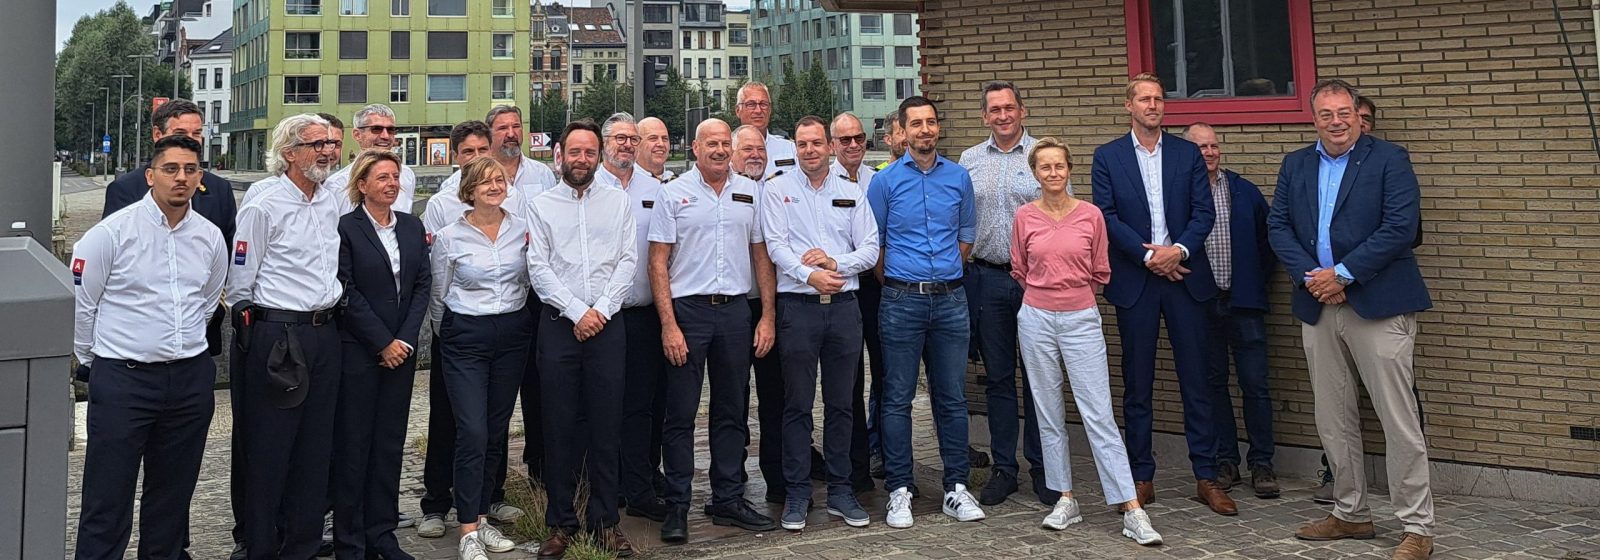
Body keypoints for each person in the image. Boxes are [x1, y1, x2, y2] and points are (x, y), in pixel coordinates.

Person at [1269, 79, 1436, 560]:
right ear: (1313, 116)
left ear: (1357, 115)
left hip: (1377, 302)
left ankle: (1417, 526)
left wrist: (1342, 274)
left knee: (1397, 419)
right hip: (1318, 305)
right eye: (1326, 113)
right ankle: (1350, 513)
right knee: (1332, 416)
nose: (1336, 121)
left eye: (1344, 112)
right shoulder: (1296, 164)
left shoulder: (1389, 159)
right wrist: (1314, 279)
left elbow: (1400, 227)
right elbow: (1277, 225)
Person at [95, 97, 241, 559]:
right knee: (108, 493)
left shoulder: (214, 210)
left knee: (173, 491)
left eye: (192, 164)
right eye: (173, 166)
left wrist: (186, 332)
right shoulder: (118, 218)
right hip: (126, 368)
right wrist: (94, 357)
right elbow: (88, 298)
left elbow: (214, 286)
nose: (183, 175)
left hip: (189, 365)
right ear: (153, 168)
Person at [1090, 73, 1234, 516]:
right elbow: (1107, 216)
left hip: (1185, 276)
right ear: (1128, 106)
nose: (1153, 105)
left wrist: (1178, 251)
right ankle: (1141, 476)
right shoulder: (1108, 156)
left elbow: (1202, 212)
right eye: (1144, 99)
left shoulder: (1187, 154)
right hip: (1137, 281)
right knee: (1137, 384)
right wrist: (1148, 257)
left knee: (1198, 380)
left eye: (1158, 99)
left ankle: (1206, 476)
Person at [1009, 137, 1162, 545]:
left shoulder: (1091, 215)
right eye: (1045, 167)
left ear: (1069, 170)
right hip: (1036, 317)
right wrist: (1046, 297)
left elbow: (1100, 269)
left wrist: (1070, 298)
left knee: (1098, 413)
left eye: (1060, 166)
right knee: (1048, 410)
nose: (1053, 173)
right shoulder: (1024, 216)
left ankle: (1130, 507)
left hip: (1080, 317)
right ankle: (1065, 498)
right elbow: (1020, 268)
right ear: (1035, 173)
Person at [650, 119, 779, 543]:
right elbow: (658, 264)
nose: (720, 150)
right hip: (689, 313)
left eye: (726, 143)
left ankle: (727, 499)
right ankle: (678, 506)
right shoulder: (673, 194)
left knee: (731, 410)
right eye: (712, 143)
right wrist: (668, 325)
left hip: (735, 315)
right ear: (695, 147)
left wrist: (767, 315)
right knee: (681, 413)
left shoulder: (749, 192)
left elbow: (760, 255)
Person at [225, 114, 347, 559]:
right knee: (270, 449)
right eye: (317, 144)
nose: (328, 151)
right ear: (290, 153)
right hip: (278, 333)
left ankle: (303, 545)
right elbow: (240, 282)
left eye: (331, 144)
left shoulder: (331, 200)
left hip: (324, 330)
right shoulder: (264, 205)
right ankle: (260, 546)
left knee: (316, 449)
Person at [868, 96, 986, 529]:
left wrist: (943, 275)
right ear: (902, 130)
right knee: (897, 397)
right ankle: (900, 489)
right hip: (901, 300)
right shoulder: (883, 182)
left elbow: (967, 233)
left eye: (931, 122)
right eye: (915, 123)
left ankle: (956, 486)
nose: (925, 130)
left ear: (939, 128)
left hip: (951, 301)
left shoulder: (958, 177)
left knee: (951, 397)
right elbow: (874, 244)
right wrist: (904, 281)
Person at [527, 120, 639, 558]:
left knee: (608, 425)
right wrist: (577, 311)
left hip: (608, 325)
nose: (582, 159)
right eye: (574, 151)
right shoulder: (542, 205)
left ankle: (605, 522)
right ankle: (560, 523)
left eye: (589, 152)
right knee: (557, 425)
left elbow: (629, 260)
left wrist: (601, 311)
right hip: (559, 325)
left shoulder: (617, 202)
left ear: (599, 155)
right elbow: (539, 268)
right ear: (560, 154)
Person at [763, 116, 880, 531]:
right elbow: (775, 245)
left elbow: (870, 248)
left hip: (845, 308)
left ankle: (841, 489)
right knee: (796, 404)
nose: (809, 150)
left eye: (816, 143)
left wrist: (835, 263)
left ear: (829, 147)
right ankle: (797, 493)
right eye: (802, 144)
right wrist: (808, 274)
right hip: (798, 307)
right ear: (795, 148)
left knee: (842, 403)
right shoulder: (777, 190)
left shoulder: (851, 192)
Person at [415, 121, 525, 539]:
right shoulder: (447, 236)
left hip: (512, 333)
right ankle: (467, 527)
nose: (494, 186)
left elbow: (526, 281)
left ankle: (482, 514)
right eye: (485, 182)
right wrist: (454, 335)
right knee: (472, 430)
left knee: (496, 430)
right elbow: (438, 296)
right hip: (465, 337)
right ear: (469, 190)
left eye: (499, 180)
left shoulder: (521, 230)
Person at [331, 150, 430, 560]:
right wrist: (381, 342)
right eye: (383, 177)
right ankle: (350, 542)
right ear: (362, 185)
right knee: (354, 447)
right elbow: (345, 289)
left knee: (389, 446)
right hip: (360, 353)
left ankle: (383, 535)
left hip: (400, 354)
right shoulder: (345, 229)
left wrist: (403, 341)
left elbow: (422, 284)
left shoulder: (410, 226)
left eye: (395, 177)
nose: (391, 184)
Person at [957, 81, 1049, 506]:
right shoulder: (969, 160)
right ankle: (1004, 469)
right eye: (994, 110)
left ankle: (1043, 469)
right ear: (984, 116)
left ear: (1023, 111)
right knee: (998, 378)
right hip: (988, 278)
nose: (1003, 116)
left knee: (1037, 377)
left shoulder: (1041, 157)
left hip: (1036, 280)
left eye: (1009, 108)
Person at [1183, 123, 1280, 499]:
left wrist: (1254, 283)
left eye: (1213, 146)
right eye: (1201, 147)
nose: (1209, 152)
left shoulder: (1243, 191)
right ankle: (1226, 460)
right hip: (1202, 304)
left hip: (1244, 303)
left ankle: (1262, 463)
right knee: (1212, 384)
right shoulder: (1183, 193)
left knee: (1255, 384)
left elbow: (1267, 242)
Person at [595, 113, 674, 524]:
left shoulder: (657, 189)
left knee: (642, 405)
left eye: (632, 139)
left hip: (643, 314)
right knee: (603, 404)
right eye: (620, 139)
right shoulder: (589, 188)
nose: (626, 145)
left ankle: (639, 486)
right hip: (602, 316)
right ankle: (606, 486)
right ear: (606, 143)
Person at [485, 104, 557, 486]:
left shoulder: (543, 175)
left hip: (538, 293)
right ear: (490, 134)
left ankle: (540, 469)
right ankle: (492, 481)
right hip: (499, 292)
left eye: (517, 126)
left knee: (539, 385)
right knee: (497, 395)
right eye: (503, 128)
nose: (511, 133)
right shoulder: (482, 177)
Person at [731, 122, 790, 504]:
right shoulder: (721, 191)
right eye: (747, 149)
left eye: (760, 150)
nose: (755, 155)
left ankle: (779, 480)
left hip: (772, 305)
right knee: (733, 398)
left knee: (776, 396)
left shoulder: (778, 191)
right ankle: (731, 482)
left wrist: (769, 313)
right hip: (735, 308)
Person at [827, 111, 878, 495]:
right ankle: (849, 469)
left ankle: (874, 457)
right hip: (836, 289)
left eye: (858, 137)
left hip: (874, 290)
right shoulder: (821, 182)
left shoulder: (879, 181)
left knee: (883, 377)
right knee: (846, 386)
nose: (853, 145)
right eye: (845, 140)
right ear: (833, 145)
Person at [324, 104, 418, 214]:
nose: (385, 136)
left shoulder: (406, 175)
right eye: (376, 129)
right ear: (357, 134)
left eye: (391, 130)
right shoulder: (337, 185)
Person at [735, 81, 797, 176]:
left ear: (770, 110)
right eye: (751, 104)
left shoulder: (789, 149)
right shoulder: (727, 149)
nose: (758, 110)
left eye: (763, 104)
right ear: (738, 111)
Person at [638, 117, 676, 183]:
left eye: (665, 139)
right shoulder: (623, 184)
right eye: (653, 138)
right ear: (637, 143)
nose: (661, 144)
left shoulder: (679, 185)